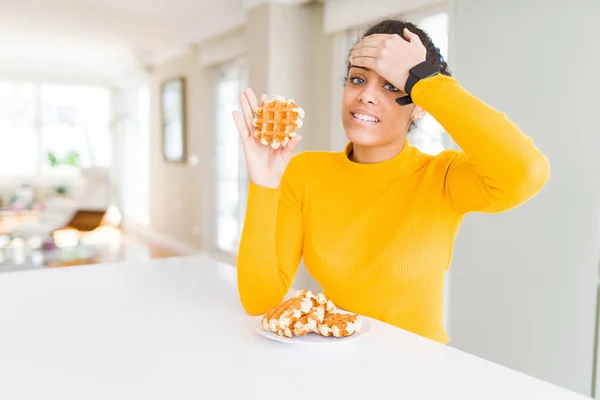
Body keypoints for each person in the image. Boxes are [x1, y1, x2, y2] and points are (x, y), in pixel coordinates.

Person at [232, 19, 550, 344]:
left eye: (391, 86)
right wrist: (264, 183)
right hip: (337, 364)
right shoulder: (306, 172)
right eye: (358, 79)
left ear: (418, 108)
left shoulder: (442, 178)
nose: (366, 96)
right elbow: (261, 302)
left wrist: (426, 82)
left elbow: (526, 171)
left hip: (419, 375)